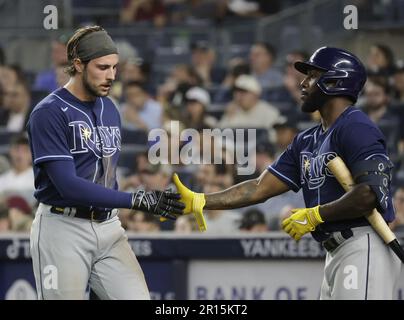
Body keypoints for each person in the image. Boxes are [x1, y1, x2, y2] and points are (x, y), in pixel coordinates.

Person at [173, 47, 402, 299]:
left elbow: (368, 195)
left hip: (363, 244)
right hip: (335, 251)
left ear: (335, 81)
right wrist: (202, 201)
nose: (302, 83)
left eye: (312, 76)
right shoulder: (307, 140)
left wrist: (315, 215)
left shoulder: (356, 126)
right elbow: (259, 188)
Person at [27, 25, 184, 300]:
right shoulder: (49, 113)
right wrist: (135, 200)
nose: (111, 75)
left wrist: (129, 201)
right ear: (77, 65)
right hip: (62, 229)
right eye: (102, 67)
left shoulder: (109, 107)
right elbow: (68, 186)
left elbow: (106, 174)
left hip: (109, 227)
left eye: (114, 67)